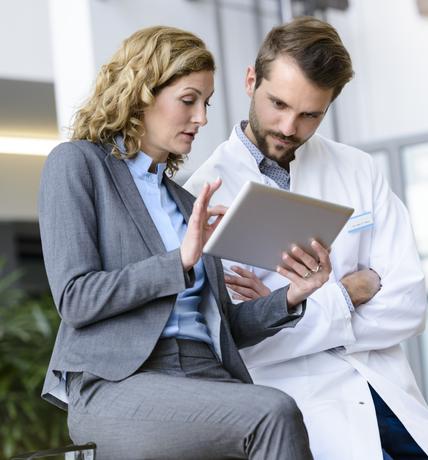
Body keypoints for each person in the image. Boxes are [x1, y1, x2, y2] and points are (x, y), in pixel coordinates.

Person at [37, 25, 334, 460]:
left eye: (206, 103)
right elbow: (75, 298)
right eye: (188, 100)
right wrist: (178, 261)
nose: (202, 119)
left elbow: (223, 326)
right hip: (119, 384)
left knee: (282, 415)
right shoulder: (79, 164)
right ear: (141, 93)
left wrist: (292, 295)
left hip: (205, 374)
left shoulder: (185, 199)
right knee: (272, 412)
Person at [185, 16, 428, 460]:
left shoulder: (358, 169)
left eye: (310, 114)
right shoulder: (202, 195)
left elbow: (410, 304)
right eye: (277, 103)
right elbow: (237, 343)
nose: (288, 127)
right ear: (250, 80)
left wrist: (286, 310)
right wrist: (351, 290)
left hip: (388, 394)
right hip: (308, 413)